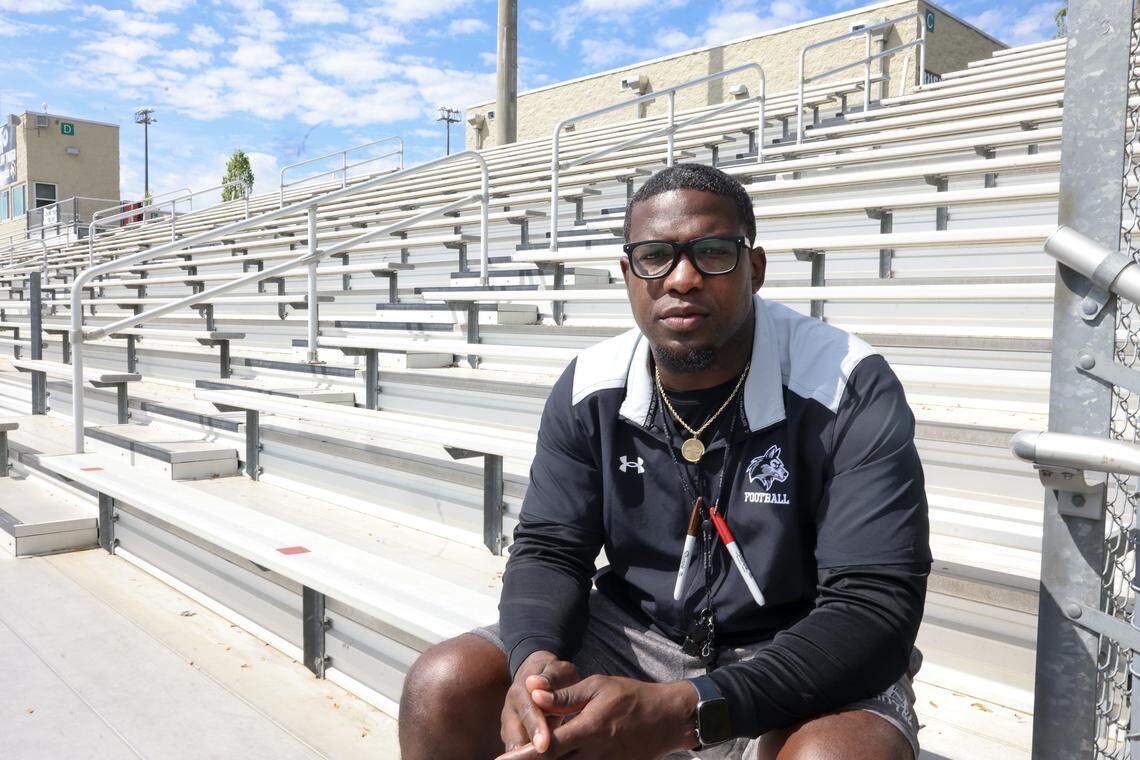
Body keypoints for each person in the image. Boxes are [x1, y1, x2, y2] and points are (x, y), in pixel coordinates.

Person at [398, 163, 931, 760]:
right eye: (655, 256)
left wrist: (684, 710)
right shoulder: (590, 385)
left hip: (798, 649)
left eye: (712, 252)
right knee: (443, 685)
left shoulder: (846, 384)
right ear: (628, 274)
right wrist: (536, 663)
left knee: (838, 756)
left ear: (754, 269)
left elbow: (873, 605)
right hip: (634, 634)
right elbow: (550, 547)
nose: (682, 278)